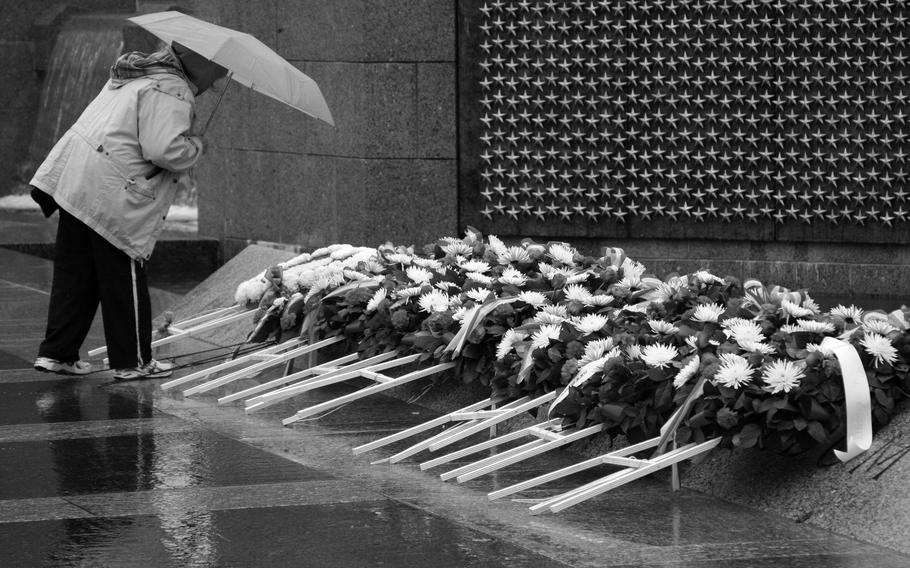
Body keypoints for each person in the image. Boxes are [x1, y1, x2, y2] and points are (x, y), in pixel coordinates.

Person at [30, 41, 228, 380]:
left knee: (77, 274)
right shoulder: (173, 87)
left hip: (76, 181)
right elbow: (163, 150)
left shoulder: (136, 74)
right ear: (203, 67)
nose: (216, 84)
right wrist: (196, 145)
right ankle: (133, 361)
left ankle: (57, 353)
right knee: (125, 275)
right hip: (114, 191)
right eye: (217, 75)